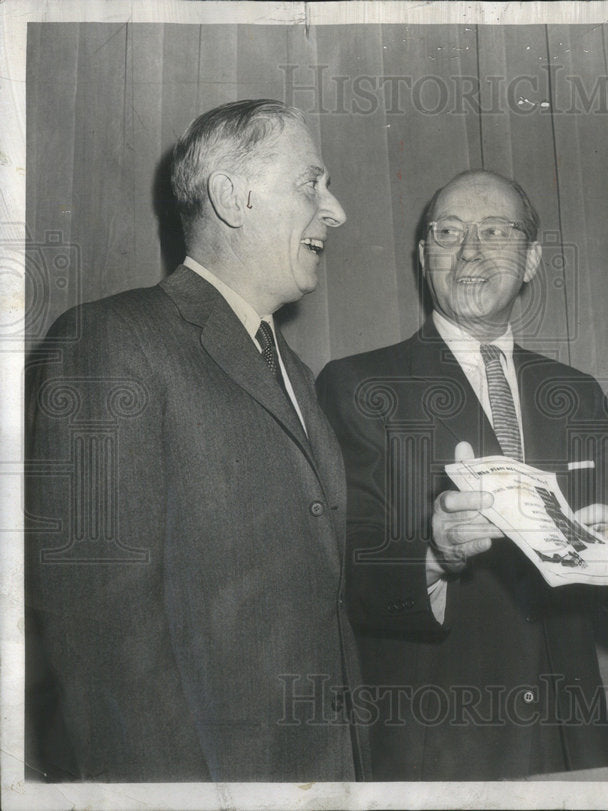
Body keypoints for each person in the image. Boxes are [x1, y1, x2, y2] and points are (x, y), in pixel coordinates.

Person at [25, 99, 369, 782]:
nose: (336, 211)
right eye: (312, 183)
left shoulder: (295, 373)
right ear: (232, 198)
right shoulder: (111, 343)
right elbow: (102, 638)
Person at [316, 170, 608, 780]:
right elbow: (337, 571)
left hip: (570, 739)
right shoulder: (360, 385)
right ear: (423, 257)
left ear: (532, 259)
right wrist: (434, 554)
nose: (469, 251)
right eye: (448, 233)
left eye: (494, 231)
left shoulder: (578, 394)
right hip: (441, 742)